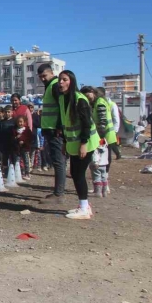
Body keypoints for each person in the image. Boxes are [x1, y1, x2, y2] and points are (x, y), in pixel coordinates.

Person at [58, 70, 98, 219]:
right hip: (73, 143)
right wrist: (64, 142)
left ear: (72, 81)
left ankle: (84, 208)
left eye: (64, 79)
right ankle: (84, 205)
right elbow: (65, 123)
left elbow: (86, 123)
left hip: (85, 143)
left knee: (78, 174)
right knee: (75, 173)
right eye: (59, 80)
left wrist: (84, 143)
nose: (61, 82)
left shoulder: (80, 99)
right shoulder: (63, 99)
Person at [37, 63, 66, 202]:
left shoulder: (55, 86)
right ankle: (58, 192)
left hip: (55, 130)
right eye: (40, 77)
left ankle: (59, 194)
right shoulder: (50, 86)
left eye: (44, 76)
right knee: (57, 160)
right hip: (50, 129)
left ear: (51, 73)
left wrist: (59, 127)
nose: (42, 79)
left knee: (58, 161)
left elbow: (62, 107)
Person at [82, 86, 116, 196]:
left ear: (92, 92)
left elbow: (102, 121)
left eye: (88, 96)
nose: (88, 99)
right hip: (105, 135)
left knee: (98, 162)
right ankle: (104, 188)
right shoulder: (99, 102)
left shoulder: (100, 102)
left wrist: (99, 138)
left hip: (103, 135)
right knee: (103, 162)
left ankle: (99, 189)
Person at [101, 87, 122, 159]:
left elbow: (116, 118)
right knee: (109, 144)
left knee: (110, 145)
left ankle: (117, 155)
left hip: (110, 130)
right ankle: (117, 154)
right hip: (104, 130)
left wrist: (115, 130)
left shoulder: (112, 104)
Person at [11, 116, 33, 180]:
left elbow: (30, 138)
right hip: (17, 148)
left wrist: (24, 141)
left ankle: (27, 173)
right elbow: (12, 139)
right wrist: (16, 138)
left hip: (25, 148)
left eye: (21, 122)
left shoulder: (27, 130)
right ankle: (18, 173)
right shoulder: (14, 130)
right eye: (18, 122)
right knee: (17, 161)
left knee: (26, 161)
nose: (20, 123)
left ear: (24, 122)